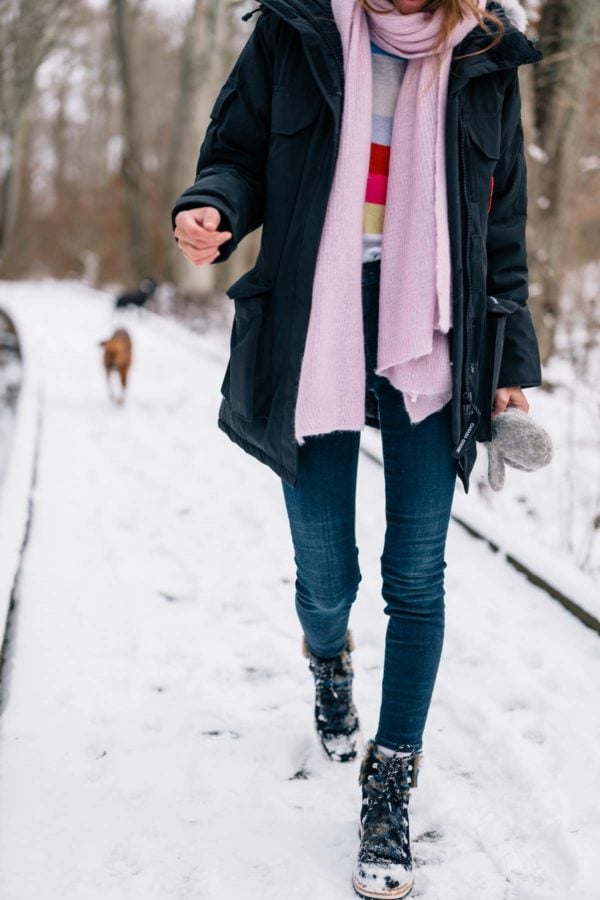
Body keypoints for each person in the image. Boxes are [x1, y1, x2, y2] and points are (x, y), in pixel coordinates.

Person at [172, 1, 543, 896]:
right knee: (326, 571)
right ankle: (329, 657)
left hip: (431, 328)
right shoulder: (295, 30)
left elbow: (503, 230)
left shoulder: (483, 54)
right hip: (317, 319)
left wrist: (511, 364)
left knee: (417, 572)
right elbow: (237, 153)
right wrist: (212, 205)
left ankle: (391, 784)